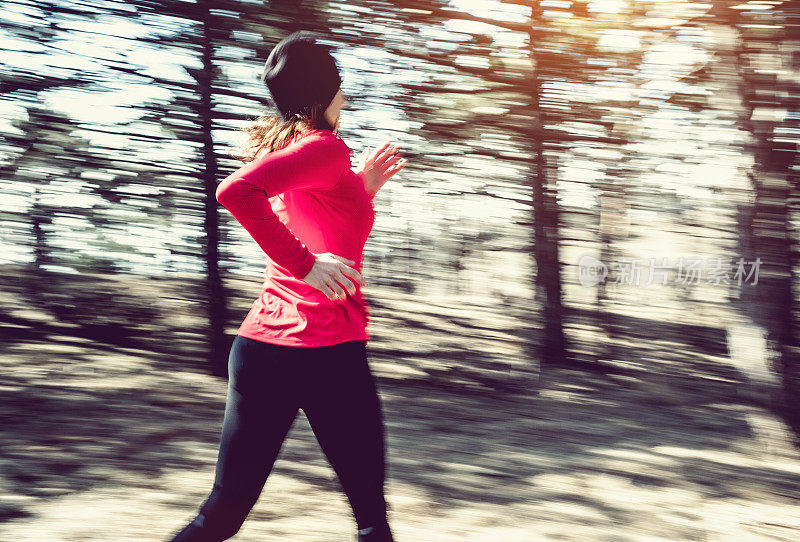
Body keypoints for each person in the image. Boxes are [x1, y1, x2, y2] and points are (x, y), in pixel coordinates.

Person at [168, 31, 407, 542]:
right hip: (326, 350)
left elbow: (319, 223)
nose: (346, 96)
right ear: (323, 93)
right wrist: (306, 267)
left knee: (223, 514)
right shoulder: (323, 149)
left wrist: (359, 190)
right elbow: (234, 192)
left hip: (262, 352)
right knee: (370, 517)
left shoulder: (305, 153)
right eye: (340, 85)